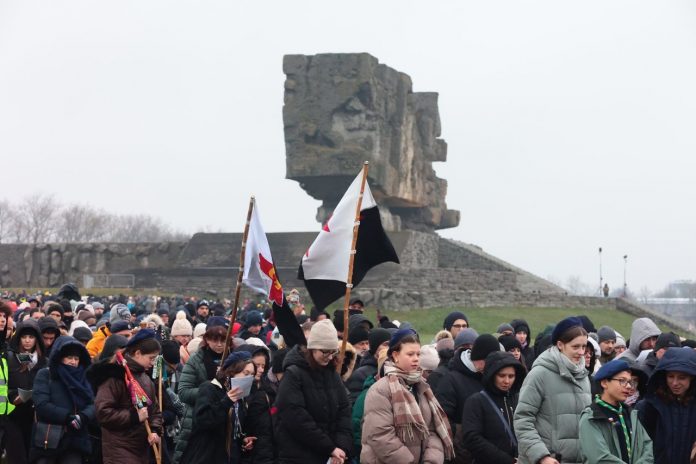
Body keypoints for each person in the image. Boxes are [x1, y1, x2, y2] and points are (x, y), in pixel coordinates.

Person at [361, 328, 454, 463]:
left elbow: (433, 431)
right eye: (410, 354)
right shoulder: (380, 390)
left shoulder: (422, 387)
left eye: (418, 354)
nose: (416, 359)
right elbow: (381, 436)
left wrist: (430, 461)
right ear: (395, 355)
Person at [514, 317, 592, 464]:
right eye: (575, 347)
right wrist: (541, 456)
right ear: (560, 345)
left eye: (584, 347)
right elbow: (523, 420)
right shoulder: (539, 374)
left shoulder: (583, 376)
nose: (581, 352)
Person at [275, 319, 352, 464]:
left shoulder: (332, 374)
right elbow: (295, 416)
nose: (330, 357)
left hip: (331, 454)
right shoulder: (294, 374)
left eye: (333, 352)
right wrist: (329, 447)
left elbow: (344, 411)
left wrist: (341, 446)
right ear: (312, 348)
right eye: (325, 352)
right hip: (300, 456)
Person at [94, 329, 163, 464]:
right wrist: (134, 416)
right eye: (151, 358)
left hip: (142, 449)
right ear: (137, 353)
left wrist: (155, 430)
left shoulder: (145, 378)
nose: (153, 363)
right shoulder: (114, 376)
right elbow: (103, 412)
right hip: (119, 449)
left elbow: (155, 410)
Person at [180, 351, 257, 464]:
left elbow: (231, 428)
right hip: (207, 457)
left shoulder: (241, 398)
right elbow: (202, 421)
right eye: (246, 373)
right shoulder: (210, 388)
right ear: (232, 371)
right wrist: (226, 402)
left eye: (252, 375)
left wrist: (242, 439)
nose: (249, 378)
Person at [434, 333, 500, 463]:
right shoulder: (450, 380)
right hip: (463, 454)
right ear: (480, 359)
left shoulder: (490, 377)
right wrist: (463, 440)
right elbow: (442, 419)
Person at [30, 336, 96, 464]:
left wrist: (83, 416)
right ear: (60, 357)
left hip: (75, 439)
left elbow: (92, 403)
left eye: (76, 358)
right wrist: (67, 417)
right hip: (49, 437)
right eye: (69, 357)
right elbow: (41, 404)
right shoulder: (46, 374)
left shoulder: (83, 377)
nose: (73, 362)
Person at [173, 316, 229, 463]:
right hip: (199, 420)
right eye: (214, 340)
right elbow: (183, 392)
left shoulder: (234, 359)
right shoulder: (196, 360)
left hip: (228, 420)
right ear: (207, 339)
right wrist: (210, 391)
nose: (219, 344)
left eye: (223, 340)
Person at [579, 359, 653, 463]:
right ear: (605, 383)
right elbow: (599, 457)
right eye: (622, 381)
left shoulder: (631, 413)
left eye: (630, 382)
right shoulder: (591, 417)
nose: (629, 386)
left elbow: (647, 448)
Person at [460, 351, 526, 464]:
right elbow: (472, 439)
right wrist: (506, 460)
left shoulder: (518, 398)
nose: (507, 381)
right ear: (492, 375)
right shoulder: (476, 401)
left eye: (511, 376)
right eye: (502, 376)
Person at [638, 347, 696, 463]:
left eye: (682, 378)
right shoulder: (650, 406)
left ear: (692, 377)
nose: (675, 383)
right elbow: (640, 446)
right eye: (670, 376)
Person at [6, 318, 47, 464]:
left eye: (31, 337)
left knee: (34, 456)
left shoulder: (44, 362)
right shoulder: (10, 359)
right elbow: (4, 385)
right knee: (18, 456)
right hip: (14, 415)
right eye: (24, 337)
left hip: (36, 416)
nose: (27, 341)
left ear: (37, 339)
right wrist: (13, 397)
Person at [347, 328, 391, 403]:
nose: (389, 348)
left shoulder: (392, 369)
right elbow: (356, 403)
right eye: (385, 344)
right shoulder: (360, 374)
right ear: (375, 346)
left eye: (390, 345)